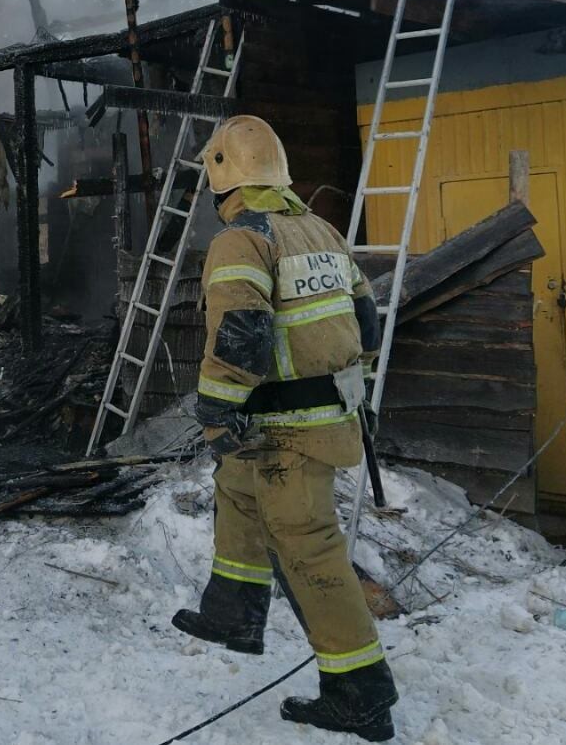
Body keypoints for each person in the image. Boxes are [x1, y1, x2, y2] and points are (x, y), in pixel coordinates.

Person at [170, 116, 398, 742]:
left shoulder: (241, 241)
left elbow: (240, 339)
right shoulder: (321, 231)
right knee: (238, 488)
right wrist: (356, 392)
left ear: (222, 178)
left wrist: (216, 412)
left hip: (289, 428)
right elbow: (365, 322)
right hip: (320, 413)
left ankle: (361, 693)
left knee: (308, 549)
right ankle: (233, 613)